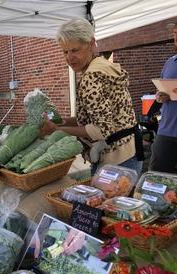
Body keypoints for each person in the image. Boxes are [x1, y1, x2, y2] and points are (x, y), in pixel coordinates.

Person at [40, 18, 143, 176]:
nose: (69, 57)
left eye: (75, 50)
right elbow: (98, 117)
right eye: (65, 52)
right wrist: (63, 121)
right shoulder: (103, 65)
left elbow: (102, 130)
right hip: (130, 151)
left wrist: (59, 129)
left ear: (91, 43)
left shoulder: (91, 77)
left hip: (116, 162)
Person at [149, 20, 177, 174]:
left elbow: (173, 92)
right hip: (166, 131)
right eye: (175, 33)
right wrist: (160, 96)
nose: (176, 36)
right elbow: (162, 90)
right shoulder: (170, 62)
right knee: (156, 177)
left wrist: (173, 93)